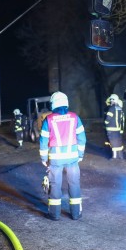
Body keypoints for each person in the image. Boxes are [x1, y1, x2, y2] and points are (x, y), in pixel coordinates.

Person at [39, 91, 87, 221]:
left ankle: (54, 214)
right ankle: (76, 214)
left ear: (53, 104)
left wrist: (44, 159)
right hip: (72, 158)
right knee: (74, 184)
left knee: (55, 185)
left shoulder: (48, 119)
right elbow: (82, 138)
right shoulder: (75, 117)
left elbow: (43, 141)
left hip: (55, 160)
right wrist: (80, 155)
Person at [104, 93, 125, 159]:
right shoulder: (119, 108)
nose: (111, 101)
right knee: (118, 141)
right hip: (117, 128)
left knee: (113, 142)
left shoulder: (111, 108)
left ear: (114, 100)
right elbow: (121, 119)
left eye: (112, 100)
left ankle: (114, 156)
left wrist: (106, 122)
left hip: (111, 128)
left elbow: (108, 118)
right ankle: (120, 155)